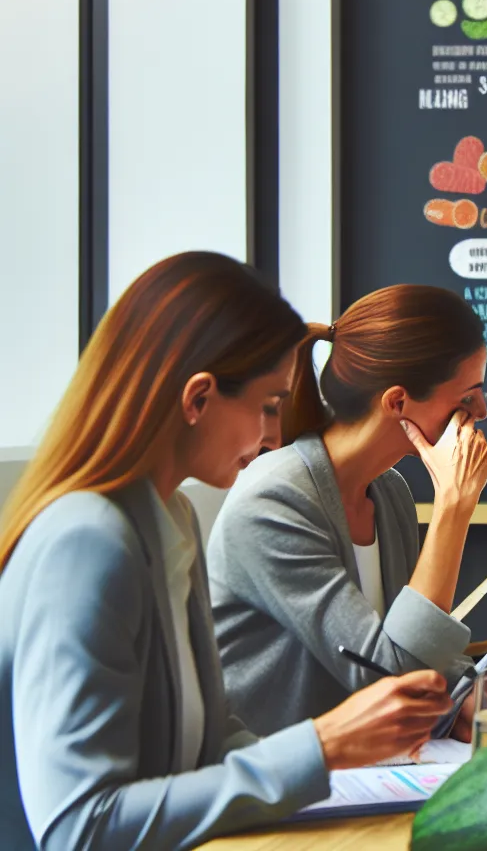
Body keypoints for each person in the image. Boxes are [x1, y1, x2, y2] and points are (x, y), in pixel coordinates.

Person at [0, 252, 450, 850]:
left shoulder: (172, 517)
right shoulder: (88, 542)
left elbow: (209, 746)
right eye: (268, 404)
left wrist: (332, 753)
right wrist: (321, 745)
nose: (273, 434)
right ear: (198, 398)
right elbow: (80, 827)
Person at [207, 285, 487, 736]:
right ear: (397, 403)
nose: (481, 410)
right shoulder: (274, 503)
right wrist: (454, 507)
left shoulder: (390, 493)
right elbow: (390, 675)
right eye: (467, 397)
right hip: (283, 779)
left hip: (377, 764)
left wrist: (465, 694)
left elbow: (407, 643)